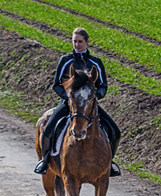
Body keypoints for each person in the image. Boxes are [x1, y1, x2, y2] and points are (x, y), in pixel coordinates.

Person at [34, 27, 122, 176]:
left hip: (89, 106)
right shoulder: (65, 60)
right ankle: (45, 160)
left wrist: (95, 97)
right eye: (74, 41)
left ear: (87, 42)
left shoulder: (96, 62)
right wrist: (68, 98)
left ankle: (109, 163)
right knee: (48, 129)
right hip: (69, 104)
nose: (77, 45)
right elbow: (56, 85)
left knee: (115, 131)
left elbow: (103, 86)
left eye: (80, 41)